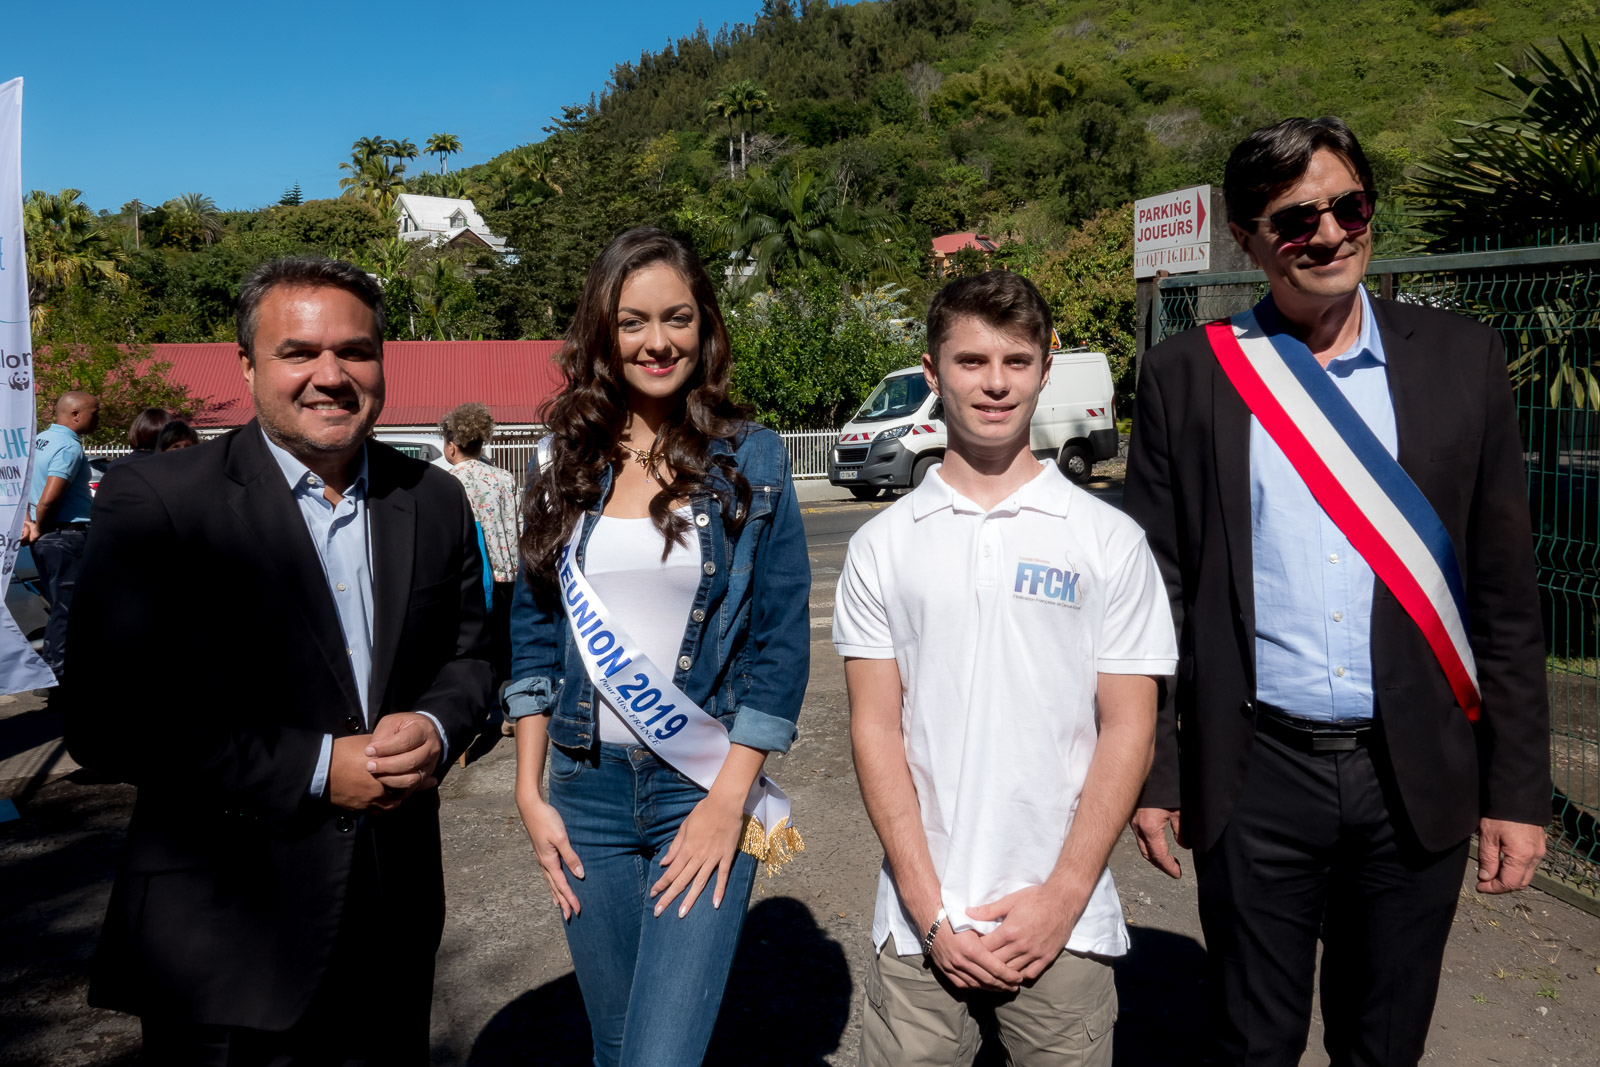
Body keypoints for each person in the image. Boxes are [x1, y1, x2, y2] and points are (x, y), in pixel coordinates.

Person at [1124, 117, 1551, 1067]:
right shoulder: (1185, 376)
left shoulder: (1461, 359)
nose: (1328, 234)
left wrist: (1519, 790)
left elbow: (1505, 596)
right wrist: (1156, 772)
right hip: (1255, 770)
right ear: (1246, 238)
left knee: (1385, 1041)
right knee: (1251, 1042)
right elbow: (1157, 596)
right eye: (1294, 219)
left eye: (1349, 206)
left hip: (1417, 774)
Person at [64, 256, 496, 1065]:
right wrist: (317, 766)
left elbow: (472, 656)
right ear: (247, 365)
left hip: (391, 921)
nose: (330, 375)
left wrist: (438, 725)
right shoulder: (160, 500)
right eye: (299, 351)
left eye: (356, 351)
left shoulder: (433, 497)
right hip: (226, 942)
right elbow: (106, 718)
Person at [835, 271, 1178, 1066]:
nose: (995, 382)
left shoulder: (1107, 539)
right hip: (921, 929)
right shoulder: (882, 544)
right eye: (971, 361)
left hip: (1065, 925)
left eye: (1017, 361)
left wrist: (1060, 900)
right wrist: (929, 910)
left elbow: (1130, 727)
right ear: (932, 370)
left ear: (1045, 370)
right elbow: (875, 727)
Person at [507, 227, 810, 1067]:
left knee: (659, 1056)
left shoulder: (752, 456)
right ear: (604, 334)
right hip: (582, 792)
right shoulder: (563, 457)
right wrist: (530, 794)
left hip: (700, 788)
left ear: (704, 325)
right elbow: (534, 631)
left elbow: (780, 644)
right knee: (614, 1045)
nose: (658, 341)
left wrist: (727, 803)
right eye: (634, 321)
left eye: (677, 318)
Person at [19, 390, 99, 682]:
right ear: (76, 414)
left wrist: (30, 523)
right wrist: (39, 525)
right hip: (65, 535)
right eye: (95, 412)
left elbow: (24, 485)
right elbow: (49, 498)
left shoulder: (39, 440)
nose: (98, 418)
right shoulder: (67, 447)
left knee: (61, 608)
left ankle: (57, 674)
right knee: (68, 610)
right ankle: (57, 678)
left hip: (49, 537)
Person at [440, 401, 520, 691]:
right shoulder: (504, 478)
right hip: (507, 575)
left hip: (471, 577)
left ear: (451, 445)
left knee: (474, 646)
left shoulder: (448, 483)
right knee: (506, 643)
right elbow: (518, 525)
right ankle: (510, 702)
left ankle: (479, 700)